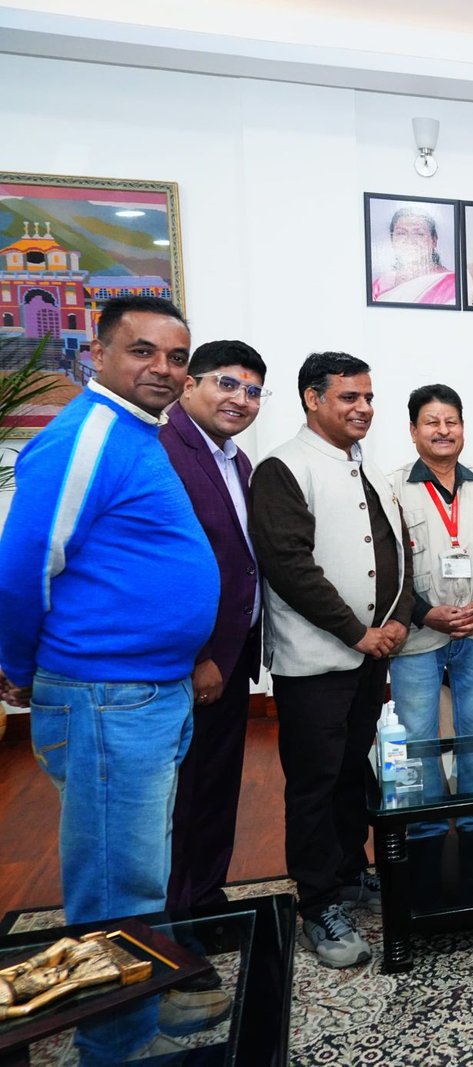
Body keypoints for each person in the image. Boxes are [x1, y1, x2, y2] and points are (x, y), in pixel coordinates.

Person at [0, 294, 219, 1061]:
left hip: (144, 691)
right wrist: (15, 666)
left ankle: (137, 1006)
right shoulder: (88, 434)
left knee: (138, 872)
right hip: (105, 698)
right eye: (142, 350)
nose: (164, 368)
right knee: (115, 884)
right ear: (97, 354)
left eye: (176, 356)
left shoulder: (135, 432)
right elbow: (25, 565)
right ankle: (117, 1045)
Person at [251, 352, 412, 969]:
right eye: (349, 397)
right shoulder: (284, 468)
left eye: (368, 397)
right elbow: (289, 566)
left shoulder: (363, 467)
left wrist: (397, 620)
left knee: (351, 774)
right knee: (315, 783)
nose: (363, 408)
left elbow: (396, 553)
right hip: (316, 661)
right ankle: (318, 901)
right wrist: (356, 633)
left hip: (369, 656)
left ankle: (348, 872)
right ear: (312, 399)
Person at [160, 340, 269, 918]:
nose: (241, 399)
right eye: (227, 384)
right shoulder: (164, 450)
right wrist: (200, 656)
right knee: (183, 796)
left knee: (217, 786)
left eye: (252, 391)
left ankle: (206, 903)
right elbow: (167, 570)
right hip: (193, 662)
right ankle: (174, 921)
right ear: (189, 385)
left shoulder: (236, 459)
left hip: (232, 655)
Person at [389, 384, 473, 838]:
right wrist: (423, 613)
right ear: (413, 430)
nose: (443, 430)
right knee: (415, 735)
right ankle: (423, 828)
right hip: (417, 635)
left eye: (451, 421)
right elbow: (386, 568)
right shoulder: (390, 489)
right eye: (431, 422)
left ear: (463, 428)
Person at [371, 206, 456, 305]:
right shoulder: (380, 284)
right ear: (392, 240)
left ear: (434, 240)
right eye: (401, 233)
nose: (410, 240)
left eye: (419, 234)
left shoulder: (452, 283)